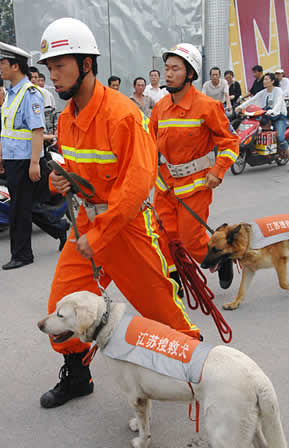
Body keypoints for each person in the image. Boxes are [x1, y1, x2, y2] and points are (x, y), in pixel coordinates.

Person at [37, 17, 200, 409]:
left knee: (165, 314)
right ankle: (78, 375)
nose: (53, 76)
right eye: (49, 68)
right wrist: (61, 182)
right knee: (61, 307)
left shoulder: (123, 115)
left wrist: (98, 235)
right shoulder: (65, 117)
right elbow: (79, 174)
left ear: (87, 64)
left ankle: (197, 374)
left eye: (61, 65)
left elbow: (135, 187)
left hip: (126, 229)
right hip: (87, 227)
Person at [150, 43, 239, 288]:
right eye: (166, 68)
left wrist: (218, 170)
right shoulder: (160, 108)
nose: (168, 73)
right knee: (163, 236)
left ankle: (221, 259)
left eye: (175, 69)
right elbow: (148, 144)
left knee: (190, 240)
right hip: (165, 184)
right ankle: (174, 281)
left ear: (190, 73)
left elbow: (230, 142)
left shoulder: (207, 106)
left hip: (195, 185)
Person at [0, 42, 69, 270]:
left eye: (3, 63)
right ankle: (59, 228)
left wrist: (33, 163)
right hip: (12, 160)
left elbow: (37, 131)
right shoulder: (10, 94)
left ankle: (22, 254)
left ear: (15, 66)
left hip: (25, 160)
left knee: (20, 208)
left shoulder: (30, 94)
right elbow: (7, 130)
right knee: (24, 205)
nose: (0, 67)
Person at [236, 72, 289, 172]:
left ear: (272, 81)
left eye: (267, 79)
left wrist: (273, 111)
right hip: (266, 115)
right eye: (264, 79)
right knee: (256, 130)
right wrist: (240, 107)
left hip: (278, 116)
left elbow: (278, 102)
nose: (264, 81)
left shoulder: (278, 91)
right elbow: (253, 99)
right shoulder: (263, 92)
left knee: (280, 138)